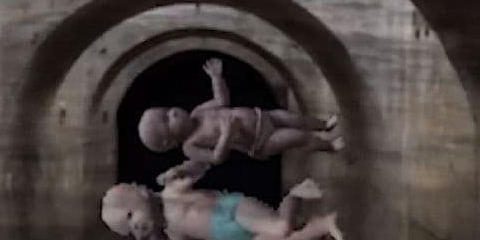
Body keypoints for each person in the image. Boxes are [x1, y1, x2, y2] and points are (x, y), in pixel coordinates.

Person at [137, 58, 343, 185]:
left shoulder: (198, 112)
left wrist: (216, 79)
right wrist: (226, 135)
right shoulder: (190, 146)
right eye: (167, 119)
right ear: (170, 141)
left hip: (263, 116)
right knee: (298, 137)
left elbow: (222, 101)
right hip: (260, 141)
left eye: (167, 110)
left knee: (295, 119)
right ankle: (329, 146)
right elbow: (216, 158)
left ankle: (324, 125)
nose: (172, 112)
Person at [100, 176, 347, 240]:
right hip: (233, 235)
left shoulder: (170, 194)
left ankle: (299, 194)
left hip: (230, 209)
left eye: (131, 215)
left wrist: (181, 174)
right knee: (289, 239)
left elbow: (196, 171)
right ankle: (323, 223)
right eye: (131, 230)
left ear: (140, 196)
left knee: (281, 228)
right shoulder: (172, 229)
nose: (136, 226)